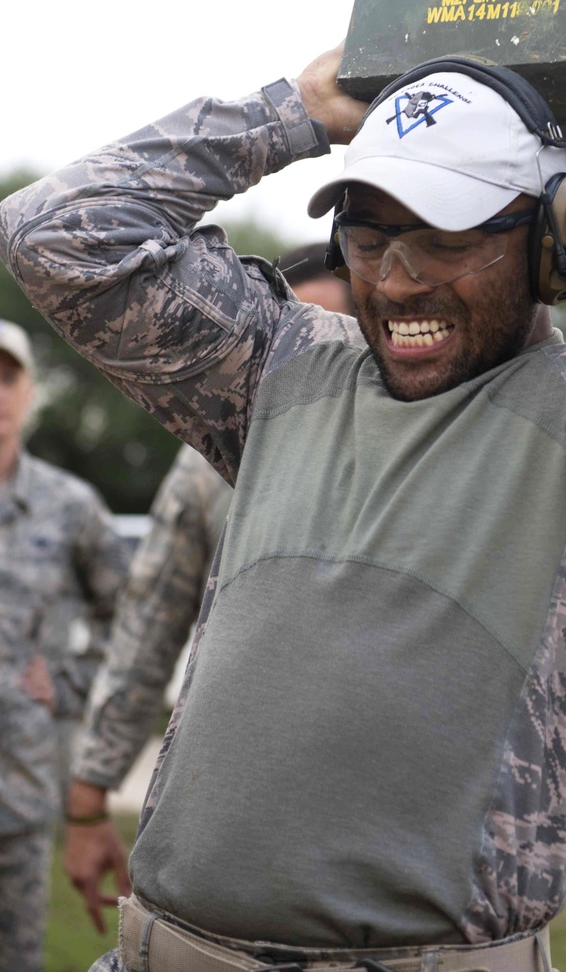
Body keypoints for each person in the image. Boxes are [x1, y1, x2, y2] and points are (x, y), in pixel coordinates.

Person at [0, 0, 566, 972]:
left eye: (441, 234)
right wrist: (298, 111)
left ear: (553, 240)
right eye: (367, 231)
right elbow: (53, 234)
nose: (394, 278)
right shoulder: (279, 373)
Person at [62, 246, 353, 932]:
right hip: (225, 827)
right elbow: (147, 630)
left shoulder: (429, 457)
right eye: (302, 330)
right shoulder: (206, 470)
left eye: (343, 333)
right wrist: (87, 798)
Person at [0, 317, 129, 972]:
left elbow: (132, 613)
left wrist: (69, 683)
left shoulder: (71, 506)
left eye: (8, 378)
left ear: (31, 391)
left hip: (10, 782)